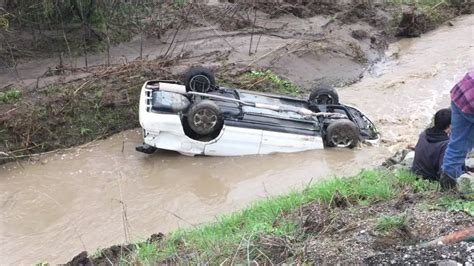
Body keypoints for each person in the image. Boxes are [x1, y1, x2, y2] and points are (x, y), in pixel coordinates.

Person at [440, 71, 474, 190]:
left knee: (458, 141)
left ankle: (449, 181)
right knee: (464, 140)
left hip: (460, 92)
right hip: (470, 99)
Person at [411, 108, 451, 181]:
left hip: (415, 172)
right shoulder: (445, 144)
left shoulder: (424, 134)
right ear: (450, 125)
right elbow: (442, 171)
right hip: (431, 178)